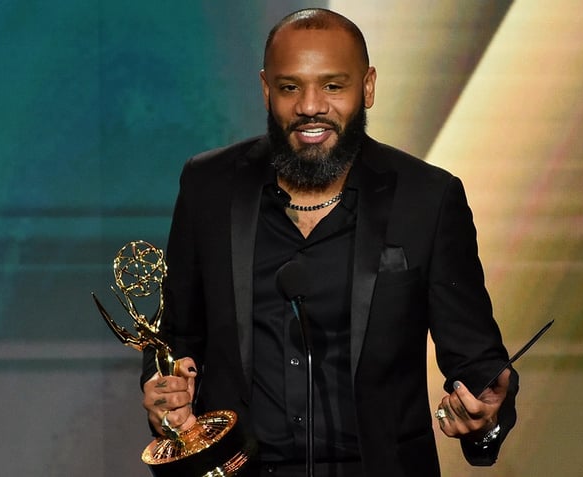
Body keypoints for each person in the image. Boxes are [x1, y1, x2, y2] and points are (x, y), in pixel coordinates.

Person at [141, 8, 518, 477]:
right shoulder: (208, 186)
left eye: (333, 86)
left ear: (368, 87)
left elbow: (479, 364)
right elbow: (175, 340)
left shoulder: (428, 198)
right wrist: (164, 398)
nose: (310, 106)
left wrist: (485, 415)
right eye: (290, 87)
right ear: (265, 90)